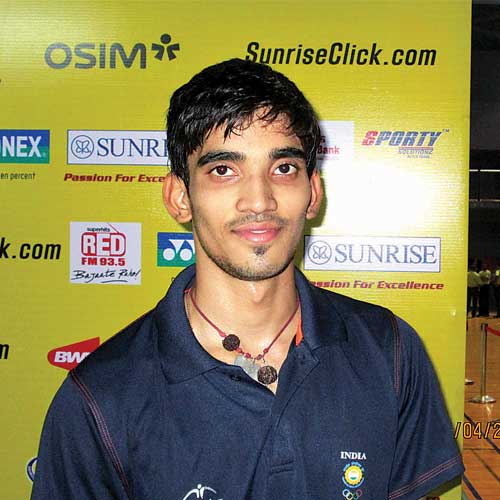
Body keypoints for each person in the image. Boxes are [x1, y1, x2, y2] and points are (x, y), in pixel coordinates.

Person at [31, 58, 463, 500]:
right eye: (223, 170)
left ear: (313, 192)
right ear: (180, 197)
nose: (259, 200)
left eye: (284, 168)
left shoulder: (389, 349)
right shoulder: (99, 397)